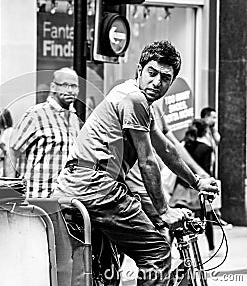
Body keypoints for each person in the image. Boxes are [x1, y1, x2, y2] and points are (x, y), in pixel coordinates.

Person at [52, 41, 218, 286]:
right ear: (139, 70)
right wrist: (164, 211)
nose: (157, 82)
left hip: (77, 187)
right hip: (98, 187)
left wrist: (197, 182)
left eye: (165, 78)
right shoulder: (134, 99)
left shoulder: (135, 101)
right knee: (158, 253)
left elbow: (167, 150)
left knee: (105, 268)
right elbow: (148, 160)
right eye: (152, 73)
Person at [126, 102, 210, 226]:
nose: (157, 84)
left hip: (159, 181)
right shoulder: (133, 106)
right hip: (140, 184)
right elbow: (147, 161)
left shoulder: (155, 110)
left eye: (166, 81)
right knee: (162, 230)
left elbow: (170, 148)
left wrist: (198, 175)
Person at [7, 67, 81, 198]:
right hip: (35, 198)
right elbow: (13, 151)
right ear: (53, 87)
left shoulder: (74, 119)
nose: (70, 90)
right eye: (65, 85)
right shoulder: (35, 115)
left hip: (62, 200)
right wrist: (10, 193)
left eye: (74, 86)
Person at [169, 119, 216, 254]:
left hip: (181, 189)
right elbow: (206, 170)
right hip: (197, 189)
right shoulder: (206, 149)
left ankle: (168, 248)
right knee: (206, 219)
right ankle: (212, 248)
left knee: (176, 220)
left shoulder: (184, 145)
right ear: (205, 131)